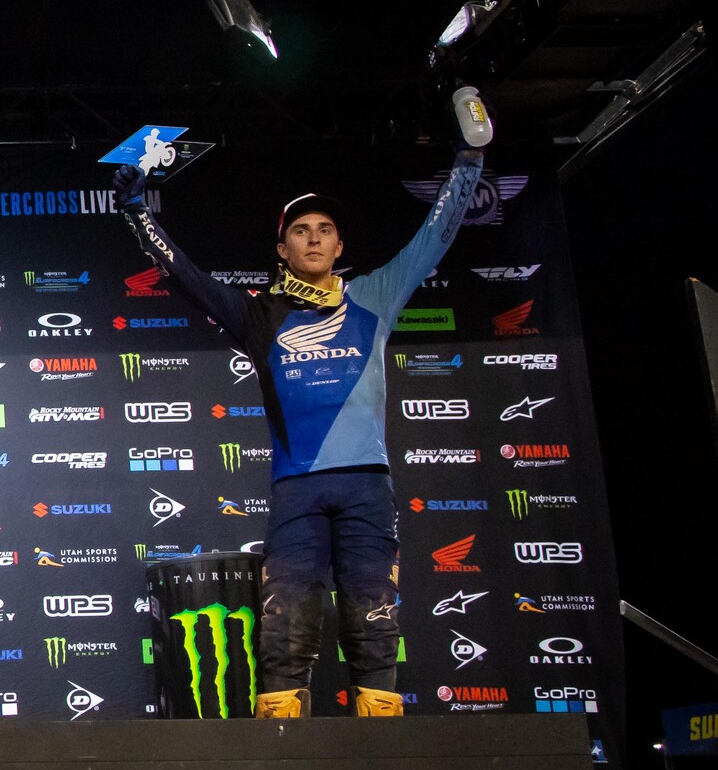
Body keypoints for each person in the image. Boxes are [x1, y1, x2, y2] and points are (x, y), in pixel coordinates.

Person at [114, 137, 487, 717]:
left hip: (367, 488)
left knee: (373, 618)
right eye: (301, 230)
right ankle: (283, 753)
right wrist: (138, 212)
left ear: (339, 246)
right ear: (281, 249)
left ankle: (382, 753)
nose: (313, 238)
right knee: (285, 621)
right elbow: (184, 274)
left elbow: (434, 237)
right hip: (297, 491)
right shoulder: (258, 313)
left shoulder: (375, 295)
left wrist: (470, 161)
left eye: (324, 230)